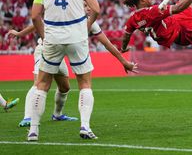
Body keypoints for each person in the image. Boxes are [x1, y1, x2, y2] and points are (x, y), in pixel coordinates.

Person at [28, 0, 100, 141]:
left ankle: (33, 130)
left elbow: (35, 16)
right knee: (84, 83)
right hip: (76, 37)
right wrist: (85, 27)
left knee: (42, 84)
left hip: (52, 38)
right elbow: (96, 8)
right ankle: (85, 126)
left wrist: (45, 35)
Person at [8, 21, 136, 127]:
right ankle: (28, 117)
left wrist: (123, 61)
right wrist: (20, 33)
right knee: (38, 83)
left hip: (59, 54)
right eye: (86, 5)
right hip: (45, 50)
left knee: (65, 87)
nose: (89, 8)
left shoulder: (90, 21)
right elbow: (38, 21)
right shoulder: (63, 12)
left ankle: (57, 115)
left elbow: (107, 43)